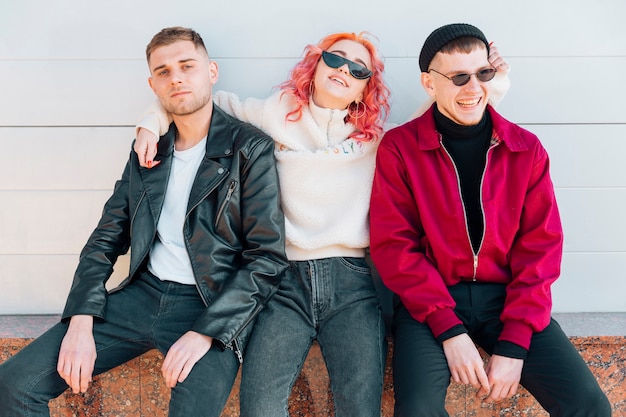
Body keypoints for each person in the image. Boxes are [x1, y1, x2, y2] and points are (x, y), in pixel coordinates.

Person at [133, 32, 509, 417]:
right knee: (259, 406)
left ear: (366, 87)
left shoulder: (380, 137)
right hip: (282, 282)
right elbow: (196, 101)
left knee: (359, 407)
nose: (345, 69)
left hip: (352, 283)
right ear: (315, 65)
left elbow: (444, 109)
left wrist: (491, 82)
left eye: (358, 68)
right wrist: (151, 121)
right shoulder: (272, 112)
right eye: (335, 58)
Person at [0, 26, 287, 417]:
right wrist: (81, 320)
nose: (177, 78)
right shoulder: (150, 149)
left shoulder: (249, 148)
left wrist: (208, 331)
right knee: (15, 385)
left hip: (210, 304)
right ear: (153, 84)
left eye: (187, 66)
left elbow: (266, 258)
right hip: (140, 295)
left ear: (212, 72)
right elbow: (106, 237)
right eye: (164, 71)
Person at [369, 23, 612, 417]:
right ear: (429, 84)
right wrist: (448, 330)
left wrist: (515, 343)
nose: (473, 88)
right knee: (416, 409)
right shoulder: (400, 149)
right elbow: (394, 246)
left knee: (589, 405)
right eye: (459, 77)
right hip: (431, 300)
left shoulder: (525, 149)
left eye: (483, 73)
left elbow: (541, 249)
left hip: (507, 301)